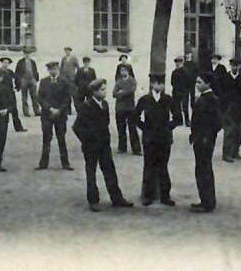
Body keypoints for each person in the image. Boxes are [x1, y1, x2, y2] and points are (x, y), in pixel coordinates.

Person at [72, 79, 134, 212]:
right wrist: (87, 140)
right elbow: (76, 127)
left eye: (105, 89)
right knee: (91, 173)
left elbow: (105, 124)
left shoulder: (105, 104)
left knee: (110, 171)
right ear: (94, 92)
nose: (105, 92)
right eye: (102, 90)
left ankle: (117, 198)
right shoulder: (86, 106)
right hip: (91, 147)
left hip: (104, 146)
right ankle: (93, 200)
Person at [134, 75, 178, 206]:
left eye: (161, 83)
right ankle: (147, 195)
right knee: (149, 166)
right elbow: (134, 117)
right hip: (150, 139)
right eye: (157, 83)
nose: (159, 86)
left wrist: (167, 127)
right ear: (152, 84)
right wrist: (145, 128)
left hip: (164, 139)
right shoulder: (145, 100)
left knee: (163, 167)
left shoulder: (168, 99)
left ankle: (165, 196)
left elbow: (178, 118)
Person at [189, 74, 222, 213]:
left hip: (205, 141)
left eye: (199, 82)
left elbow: (217, 123)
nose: (197, 84)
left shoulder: (211, 100)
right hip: (200, 139)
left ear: (208, 84)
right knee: (202, 169)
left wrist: (206, 137)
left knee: (204, 170)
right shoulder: (203, 98)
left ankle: (207, 202)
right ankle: (205, 200)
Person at [36, 61, 73, 170]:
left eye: (55, 69)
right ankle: (43, 164)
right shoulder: (44, 82)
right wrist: (49, 108)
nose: (53, 71)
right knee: (46, 139)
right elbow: (40, 98)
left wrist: (59, 110)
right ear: (48, 70)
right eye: (51, 69)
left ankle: (65, 163)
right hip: (47, 115)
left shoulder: (64, 82)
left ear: (58, 70)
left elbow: (67, 98)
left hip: (60, 116)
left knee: (61, 139)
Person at [220, 57, 241, 162]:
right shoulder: (224, 78)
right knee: (229, 131)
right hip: (228, 108)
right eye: (233, 65)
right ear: (230, 66)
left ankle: (235, 151)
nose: (235, 67)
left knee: (239, 132)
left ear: (239, 66)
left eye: (237, 65)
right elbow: (221, 93)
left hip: (239, 108)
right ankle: (226, 154)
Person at [112, 64, 141, 155]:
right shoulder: (118, 81)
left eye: (125, 70)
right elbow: (114, 94)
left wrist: (121, 92)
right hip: (120, 108)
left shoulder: (132, 81)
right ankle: (122, 148)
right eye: (121, 71)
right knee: (121, 129)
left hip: (130, 108)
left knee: (132, 128)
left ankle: (136, 149)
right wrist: (122, 92)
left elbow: (131, 90)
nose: (123, 72)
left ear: (128, 72)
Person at [0, 57, 27, 132]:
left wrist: (17, 87)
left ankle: (18, 127)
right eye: (4, 62)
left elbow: (16, 79)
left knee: (14, 111)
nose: (5, 64)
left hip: (10, 94)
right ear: (1, 63)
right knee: (2, 111)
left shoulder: (10, 72)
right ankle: (0, 127)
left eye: (7, 63)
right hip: (2, 94)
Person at [16, 48, 42, 117]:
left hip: (32, 80)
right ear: (23, 54)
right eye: (25, 54)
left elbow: (35, 71)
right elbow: (17, 73)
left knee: (35, 96)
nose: (27, 55)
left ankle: (37, 111)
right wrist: (18, 82)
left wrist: (36, 79)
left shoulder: (32, 62)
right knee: (24, 97)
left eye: (28, 54)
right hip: (24, 80)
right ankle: (26, 112)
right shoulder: (20, 62)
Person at [170, 57, 191, 126]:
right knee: (177, 107)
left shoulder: (186, 71)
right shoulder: (174, 72)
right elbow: (172, 82)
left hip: (184, 91)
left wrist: (186, 90)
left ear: (182, 63)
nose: (178, 64)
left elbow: (189, 82)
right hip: (176, 91)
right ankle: (179, 120)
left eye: (179, 62)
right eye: (177, 63)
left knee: (185, 106)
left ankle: (187, 121)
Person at [59, 47, 80, 112]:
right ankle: (68, 110)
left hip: (72, 79)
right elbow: (61, 68)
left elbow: (78, 68)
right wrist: (61, 76)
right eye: (66, 51)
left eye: (68, 51)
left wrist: (76, 77)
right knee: (66, 95)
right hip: (65, 79)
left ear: (70, 51)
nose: (67, 52)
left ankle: (77, 109)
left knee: (74, 95)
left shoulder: (74, 58)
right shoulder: (63, 58)